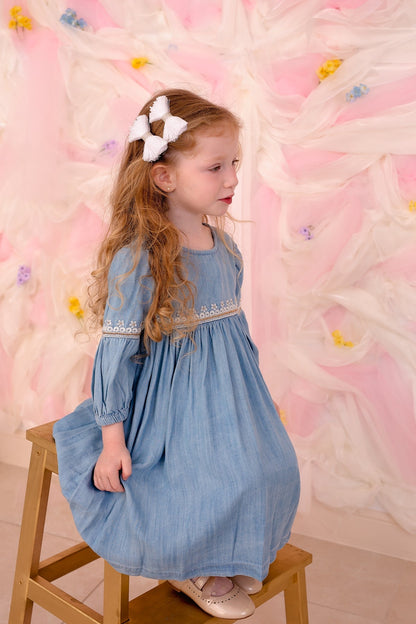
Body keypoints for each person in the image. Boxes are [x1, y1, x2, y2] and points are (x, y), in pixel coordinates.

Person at [53, 88, 300, 619]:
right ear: (164, 177)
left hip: (223, 398)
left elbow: (232, 339)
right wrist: (112, 440)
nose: (232, 179)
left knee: (273, 465)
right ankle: (190, 564)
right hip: (164, 404)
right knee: (204, 480)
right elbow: (116, 354)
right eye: (215, 167)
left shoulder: (224, 247)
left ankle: (229, 547)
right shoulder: (140, 257)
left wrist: (252, 404)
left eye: (234, 164)